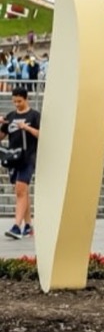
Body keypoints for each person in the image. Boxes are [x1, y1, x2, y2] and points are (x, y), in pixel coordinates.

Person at [2, 87, 39, 239]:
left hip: (28, 157)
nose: (17, 104)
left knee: (20, 189)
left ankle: (17, 226)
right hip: (13, 158)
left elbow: (41, 134)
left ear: (26, 99)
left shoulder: (34, 115)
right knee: (22, 192)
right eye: (15, 102)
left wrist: (26, 127)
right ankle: (28, 226)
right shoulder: (11, 116)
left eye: (20, 101)